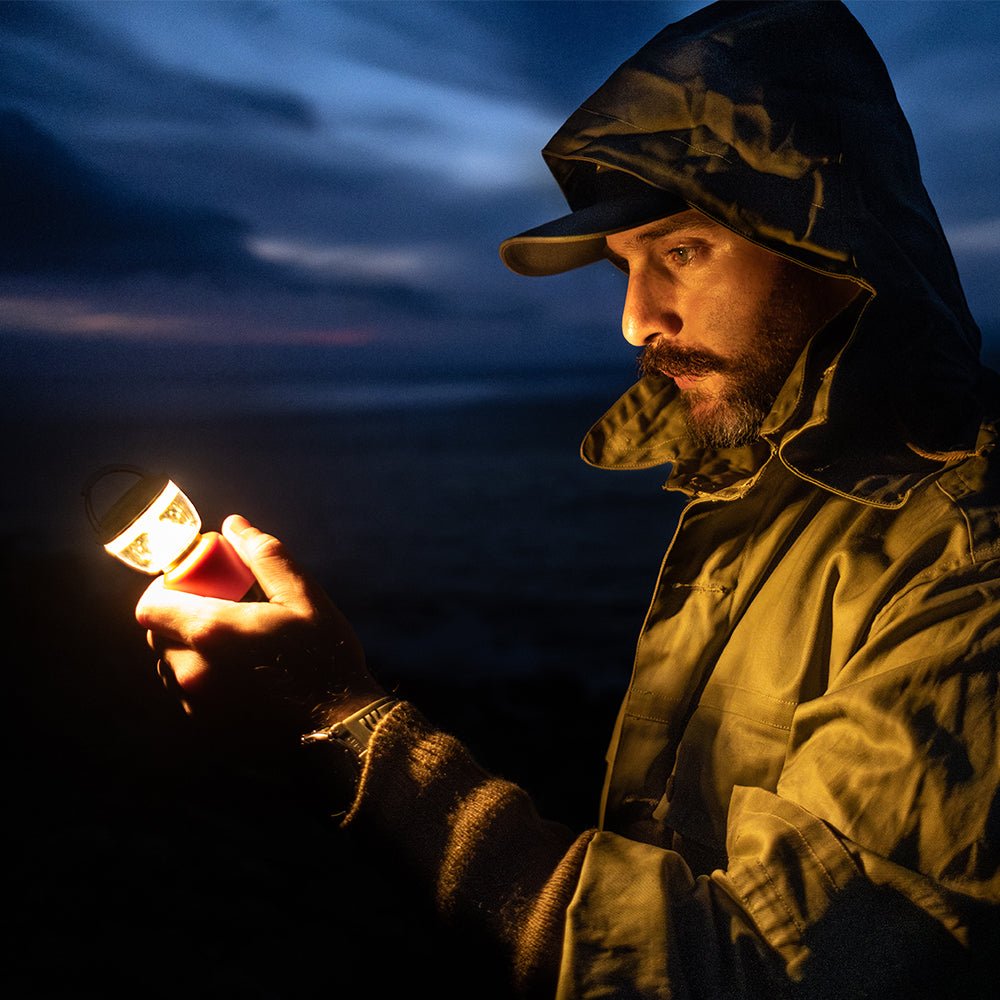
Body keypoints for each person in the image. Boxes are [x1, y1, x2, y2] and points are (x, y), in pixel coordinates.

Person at [135, 2, 999, 997]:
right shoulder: (767, 482)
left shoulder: (966, 555)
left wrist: (345, 726)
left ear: (831, 238)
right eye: (625, 266)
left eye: (679, 250)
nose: (636, 319)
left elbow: (759, 972)